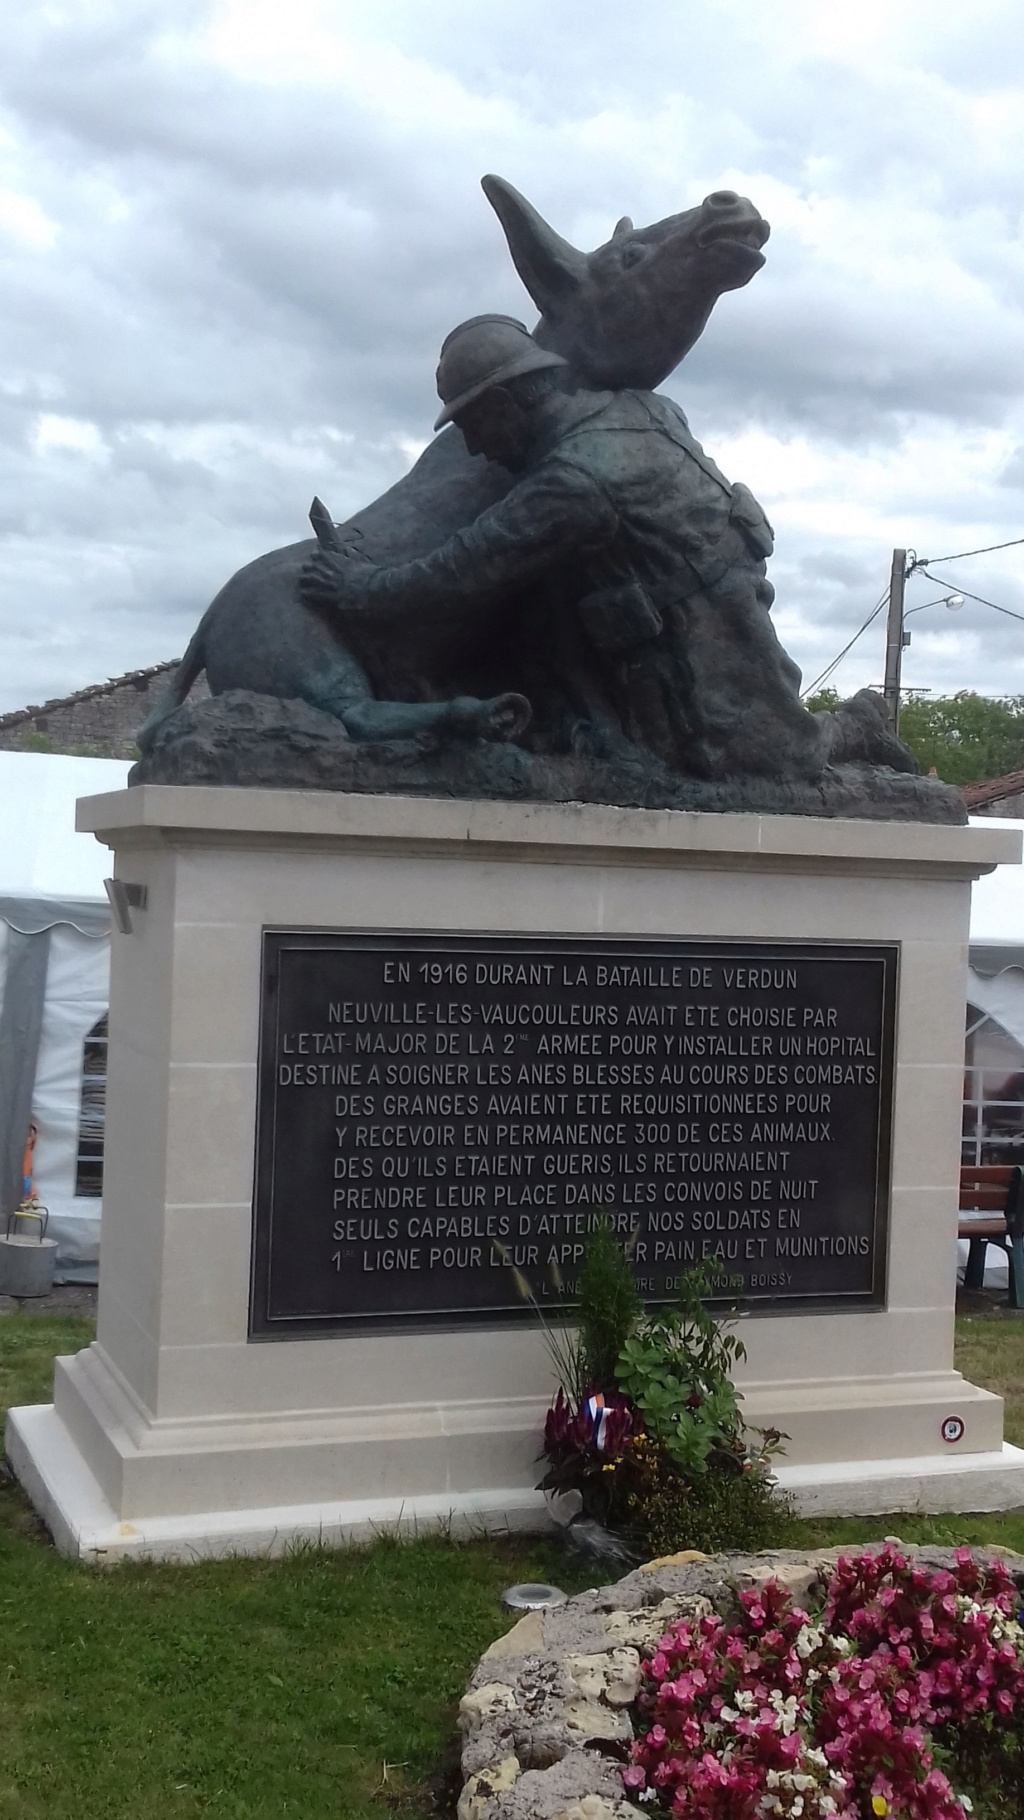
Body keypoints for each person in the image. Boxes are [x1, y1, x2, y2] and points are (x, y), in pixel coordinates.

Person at [299, 315, 911, 781]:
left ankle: (857, 724)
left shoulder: (572, 484)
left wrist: (359, 590)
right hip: (683, 620)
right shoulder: (647, 409)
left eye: (473, 427)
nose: (478, 449)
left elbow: (461, 570)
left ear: (507, 405)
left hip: (700, 640)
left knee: (774, 761)